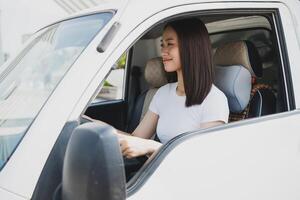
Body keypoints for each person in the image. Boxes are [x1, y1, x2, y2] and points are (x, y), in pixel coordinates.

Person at [86, 18, 229, 159]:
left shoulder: (214, 99)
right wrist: (98, 126)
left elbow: (203, 158)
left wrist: (151, 146)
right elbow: (136, 139)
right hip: (153, 172)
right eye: (162, 45)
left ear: (191, 47)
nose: (163, 52)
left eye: (170, 44)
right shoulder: (163, 93)